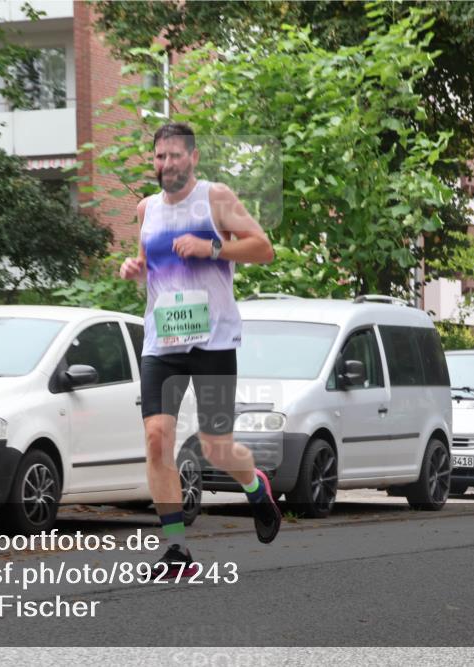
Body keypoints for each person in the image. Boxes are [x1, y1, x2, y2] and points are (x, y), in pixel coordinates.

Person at [118, 123, 280, 577]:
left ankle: (256, 488)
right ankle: (176, 551)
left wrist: (211, 247)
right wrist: (136, 271)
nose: (165, 164)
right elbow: (152, 274)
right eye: (158, 157)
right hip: (162, 341)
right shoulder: (145, 209)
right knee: (156, 440)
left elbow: (263, 249)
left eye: (173, 156)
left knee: (216, 447)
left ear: (192, 158)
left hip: (213, 339)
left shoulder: (216, 198)